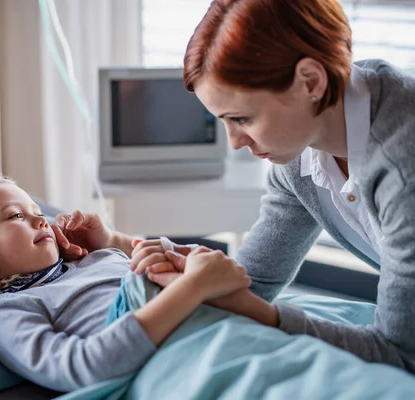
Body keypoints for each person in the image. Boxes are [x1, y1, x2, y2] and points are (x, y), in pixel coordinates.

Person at [62, 0, 415, 373]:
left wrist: (261, 313)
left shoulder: (402, 168)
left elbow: (400, 353)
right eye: (223, 122)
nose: (235, 143)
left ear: (311, 81)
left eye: (243, 118)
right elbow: (250, 282)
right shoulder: (299, 161)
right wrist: (140, 250)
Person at [0, 172, 251, 392]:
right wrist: (193, 289)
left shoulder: (94, 258)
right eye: (17, 216)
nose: (41, 221)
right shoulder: (9, 310)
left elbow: (212, 270)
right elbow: (84, 367)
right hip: (187, 361)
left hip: (229, 322)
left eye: (38, 212)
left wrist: (114, 241)